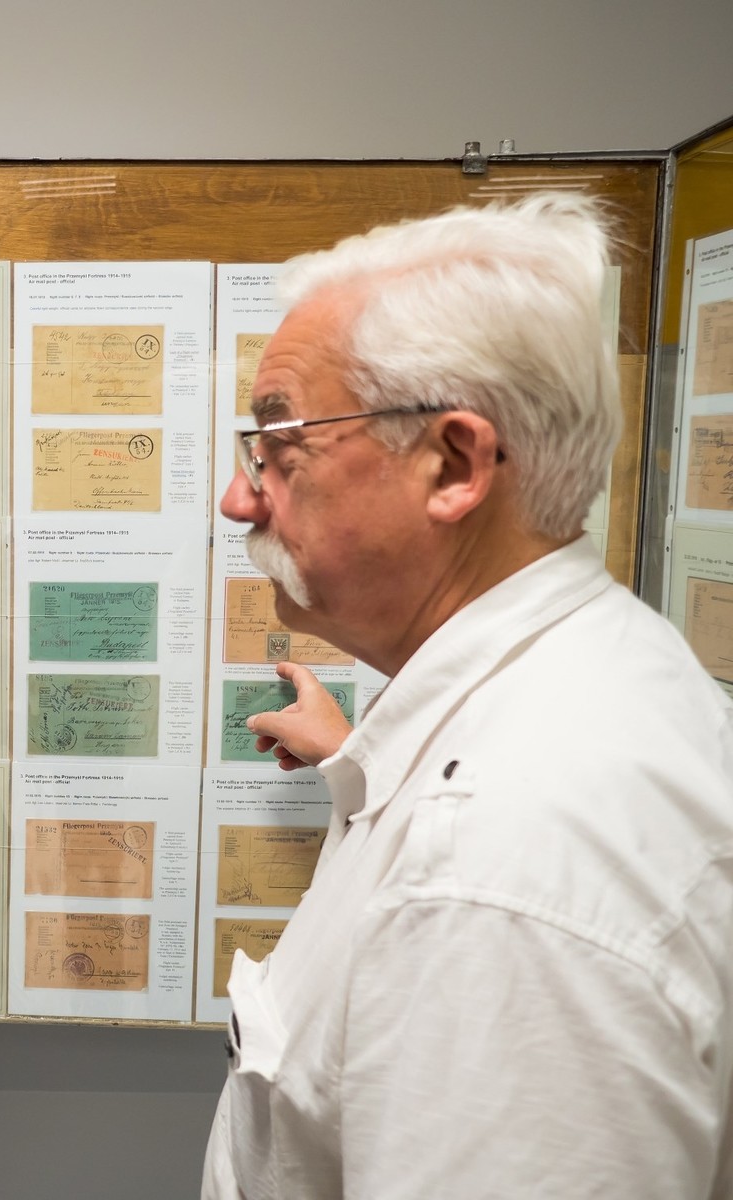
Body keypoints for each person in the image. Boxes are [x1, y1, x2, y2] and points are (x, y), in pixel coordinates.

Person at [204, 192, 733, 1198]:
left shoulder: (500, 866)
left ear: (452, 464)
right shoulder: (583, 680)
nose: (240, 497)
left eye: (280, 447)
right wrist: (353, 763)